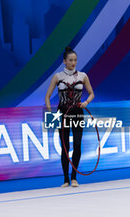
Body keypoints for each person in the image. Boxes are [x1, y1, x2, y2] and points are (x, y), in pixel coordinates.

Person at [45, 46, 95, 187]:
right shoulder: (57, 77)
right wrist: (51, 113)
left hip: (78, 113)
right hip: (63, 114)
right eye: (71, 60)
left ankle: (74, 177)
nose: (73, 63)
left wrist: (86, 102)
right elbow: (47, 97)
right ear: (64, 61)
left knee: (78, 145)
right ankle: (65, 179)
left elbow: (92, 93)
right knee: (65, 147)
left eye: (75, 60)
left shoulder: (83, 76)